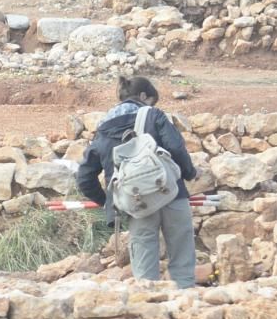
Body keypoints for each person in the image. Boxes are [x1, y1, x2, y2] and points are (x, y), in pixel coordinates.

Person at [76, 76, 198, 287]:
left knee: (144, 273)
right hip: (171, 194)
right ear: (143, 96)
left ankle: (149, 310)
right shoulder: (154, 116)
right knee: (182, 261)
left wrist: (111, 202)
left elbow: (84, 178)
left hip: (137, 204)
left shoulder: (103, 129)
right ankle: (184, 308)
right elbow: (177, 148)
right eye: (152, 100)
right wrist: (188, 173)